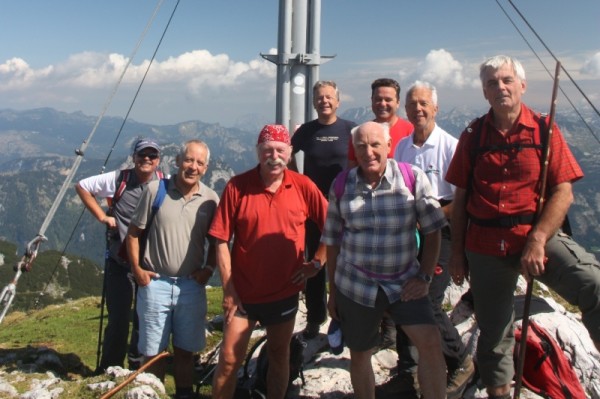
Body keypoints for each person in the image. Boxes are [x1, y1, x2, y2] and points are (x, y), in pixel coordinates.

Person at [446, 55, 600, 399]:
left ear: (521, 85)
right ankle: (500, 393)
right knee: (493, 332)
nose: (499, 87)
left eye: (506, 80)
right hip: (484, 245)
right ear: (485, 93)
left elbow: (564, 191)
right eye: (491, 83)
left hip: (535, 237)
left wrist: (539, 238)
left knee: (594, 284)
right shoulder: (473, 136)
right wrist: (457, 254)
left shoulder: (545, 129)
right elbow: (461, 197)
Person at [322, 121, 448, 399]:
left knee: (430, 343)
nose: (369, 152)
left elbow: (433, 229)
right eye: (362, 145)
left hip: (404, 281)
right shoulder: (342, 185)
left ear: (389, 146)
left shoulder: (412, 178)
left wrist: (425, 276)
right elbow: (331, 241)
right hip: (355, 284)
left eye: (375, 144)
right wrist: (332, 292)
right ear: (353, 150)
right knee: (360, 352)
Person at [209, 124, 328, 399]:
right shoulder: (237, 186)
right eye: (267, 150)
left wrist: (318, 262)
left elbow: (332, 226)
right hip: (243, 294)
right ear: (258, 153)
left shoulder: (302, 185)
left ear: (289, 153)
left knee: (279, 356)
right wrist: (229, 290)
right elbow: (220, 240)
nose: (273, 156)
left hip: (284, 293)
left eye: (279, 150)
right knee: (228, 360)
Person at [378, 80, 473, 399]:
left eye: (423, 104)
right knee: (402, 296)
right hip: (408, 233)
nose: (417, 109)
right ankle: (407, 371)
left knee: (428, 300)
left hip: (440, 232)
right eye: (412, 104)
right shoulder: (403, 146)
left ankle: (459, 360)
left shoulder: (449, 145)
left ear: (435, 108)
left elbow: (460, 199)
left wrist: (427, 219)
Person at [126, 140, 218, 399]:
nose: (193, 167)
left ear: (206, 168)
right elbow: (133, 234)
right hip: (156, 284)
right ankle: (153, 394)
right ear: (178, 161)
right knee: (153, 352)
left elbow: (217, 241)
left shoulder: (211, 200)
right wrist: (137, 270)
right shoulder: (156, 190)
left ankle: (184, 394)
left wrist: (209, 268)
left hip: (191, 285)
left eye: (199, 163)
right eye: (189, 160)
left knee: (186, 350)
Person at [75, 137, 162, 373]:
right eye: (142, 155)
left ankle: (135, 364)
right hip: (120, 263)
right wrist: (102, 217)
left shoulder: (164, 184)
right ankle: (109, 370)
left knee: (144, 320)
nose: (146, 159)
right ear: (133, 158)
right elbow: (82, 186)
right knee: (119, 321)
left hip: (149, 267)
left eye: (152, 155)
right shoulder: (119, 179)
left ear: (158, 161)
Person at [290, 80, 356, 339]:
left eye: (329, 97)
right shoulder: (306, 131)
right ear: (314, 102)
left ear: (337, 101)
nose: (324, 101)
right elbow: (287, 154)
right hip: (313, 209)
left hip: (345, 207)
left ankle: (345, 320)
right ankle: (315, 320)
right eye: (319, 97)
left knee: (346, 264)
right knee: (315, 265)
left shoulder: (350, 129)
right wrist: (299, 181)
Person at [347, 77, 413, 168]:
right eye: (378, 99)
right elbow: (352, 170)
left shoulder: (411, 132)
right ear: (372, 101)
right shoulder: (360, 133)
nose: (382, 104)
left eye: (388, 100)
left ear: (398, 102)